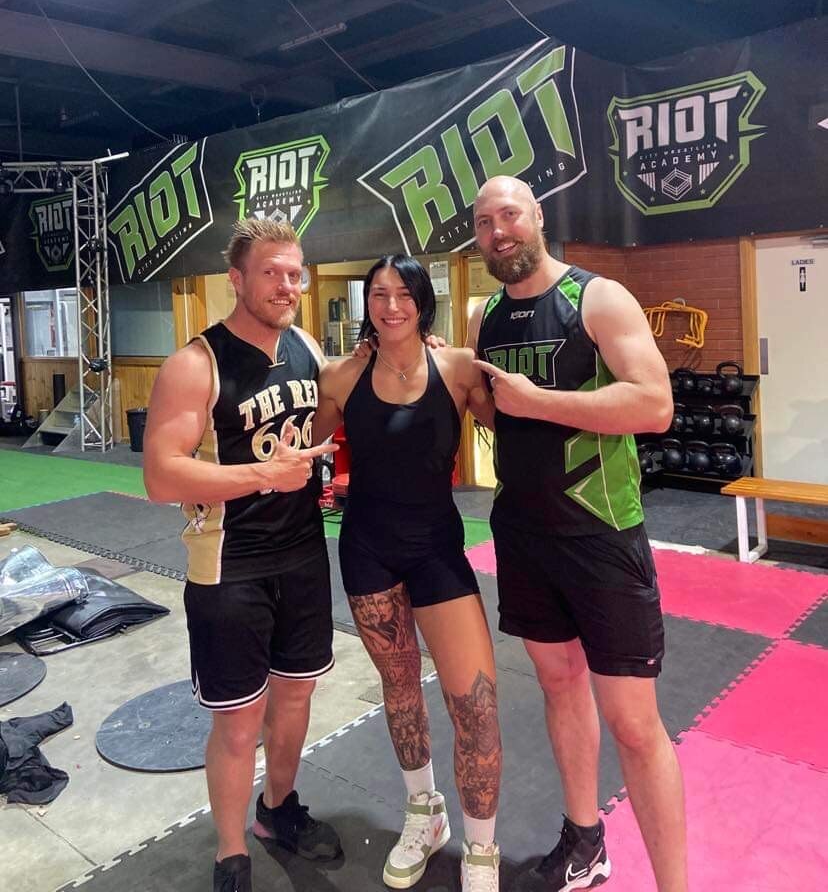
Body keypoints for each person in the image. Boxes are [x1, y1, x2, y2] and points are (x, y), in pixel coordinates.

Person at [468, 176, 686, 892]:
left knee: (632, 722)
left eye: (509, 215)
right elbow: (501, 415)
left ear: (536, 217)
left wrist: (539, 400)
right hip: (525, 535)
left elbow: (654, 405)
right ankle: (585, 843)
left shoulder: (596, 297)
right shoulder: (487, 319)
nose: (498, 231)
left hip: (599, 534)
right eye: (484, 222)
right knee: (560, 689)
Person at [143, 218, 341, 892]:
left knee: (296, 702)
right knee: (238, 723)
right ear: (237, 279)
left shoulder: (307, 348)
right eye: (271, 273)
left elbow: (325, 418)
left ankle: (277, 810)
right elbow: (161, 477)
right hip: (230, 567)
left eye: (295, 272)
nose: (287, 285)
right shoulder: (195, 364)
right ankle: (232, 851)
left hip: (303, 558)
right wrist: (262, 476)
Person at [313, 254, 502, 892]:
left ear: (423, 300)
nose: (390, 305)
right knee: (399, 688)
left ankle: (483, 845)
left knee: (474, 702)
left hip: (437, 553)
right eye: (378, 294)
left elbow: (521, 433)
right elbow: (299, 449)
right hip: (367, 549)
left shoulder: (457, 368)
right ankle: (425, 812)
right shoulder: (339, 378)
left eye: (403, 294)